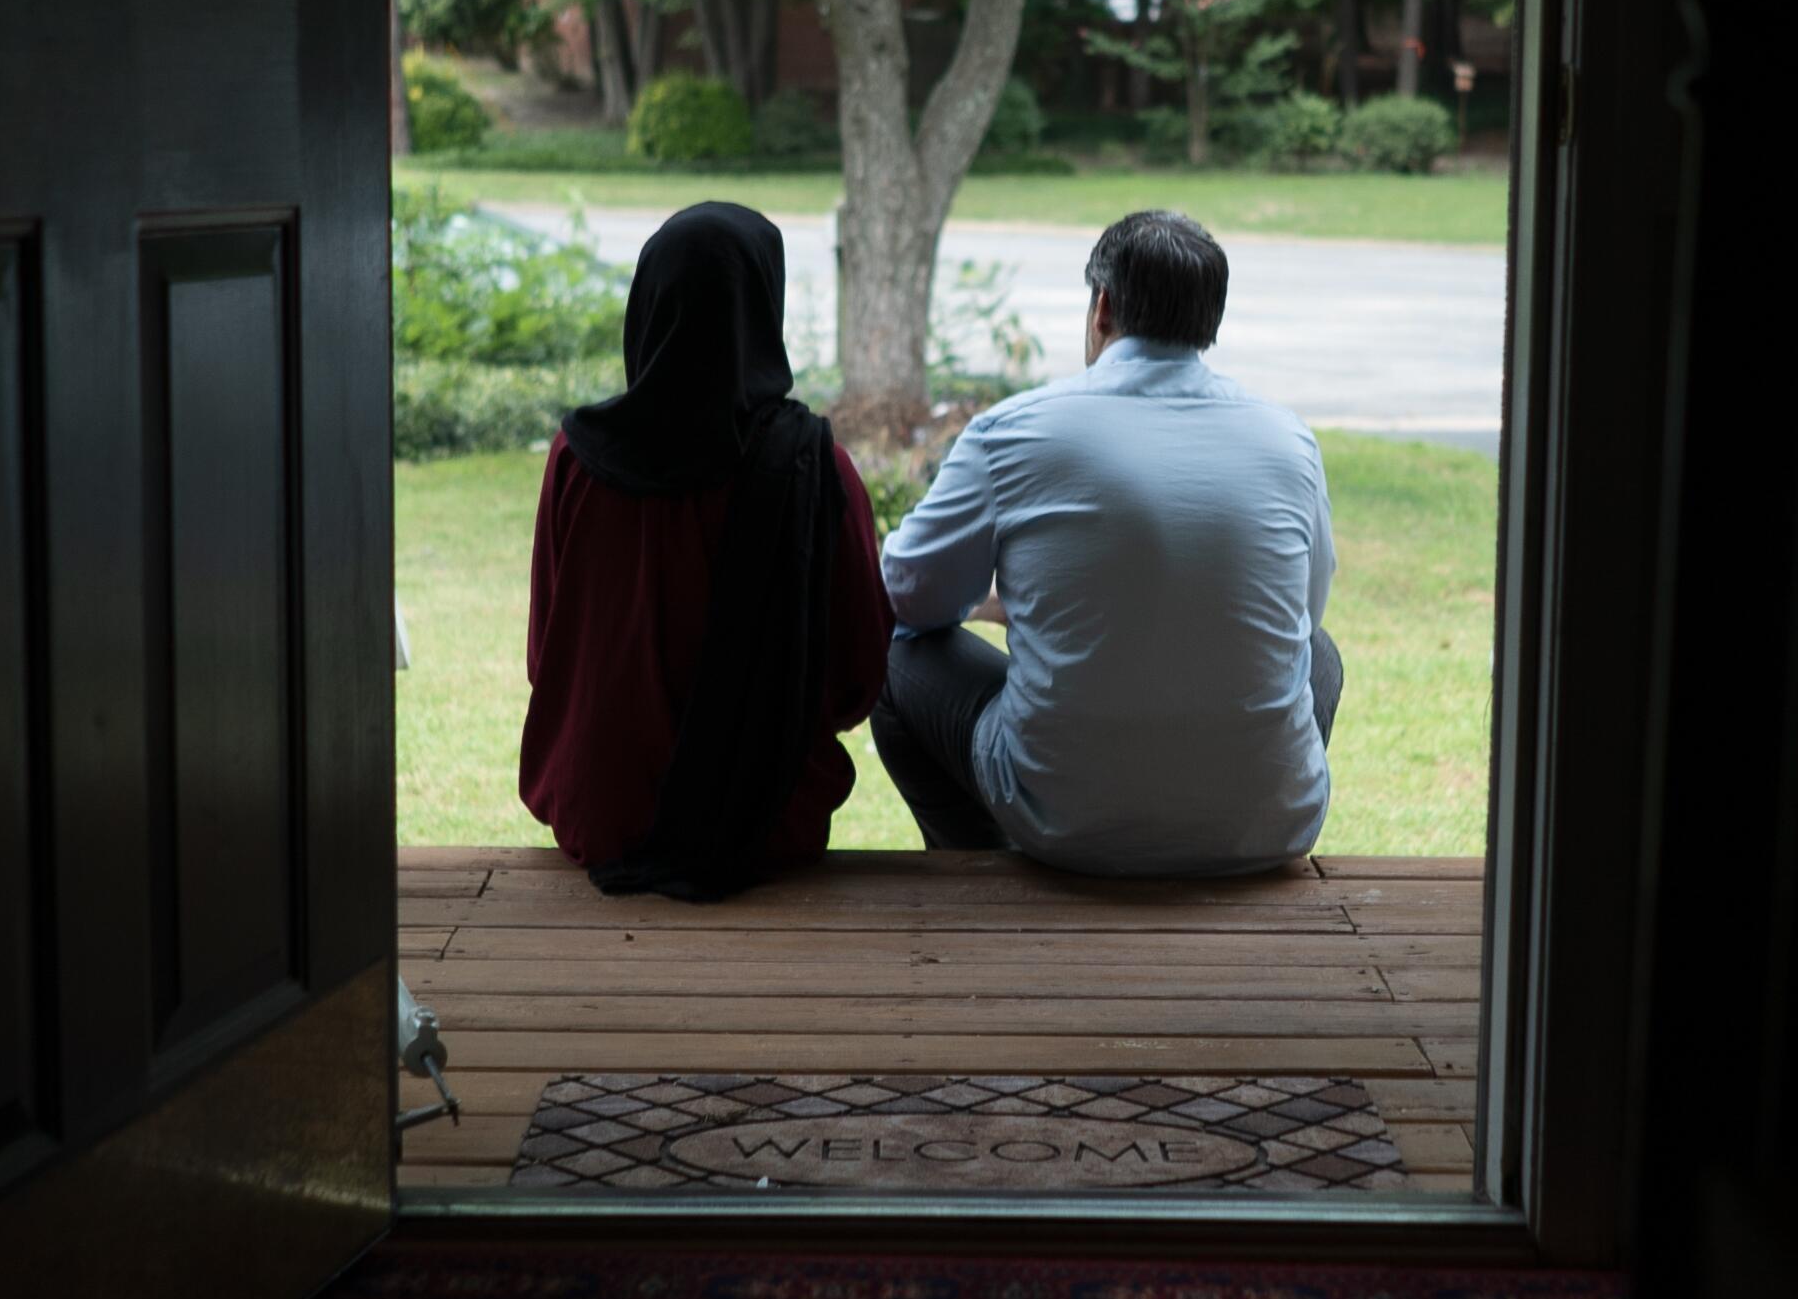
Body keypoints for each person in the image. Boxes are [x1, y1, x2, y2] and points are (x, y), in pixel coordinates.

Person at [870, 209, 1342, 876]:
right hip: (1270, 829)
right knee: (1318, 654)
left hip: (1065, 820)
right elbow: (1304, 613)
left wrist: (994, 603)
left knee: (899, 662)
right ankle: (1237, 803)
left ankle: (970, 867)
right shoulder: (1288, 439)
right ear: (1211, 321)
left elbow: (906, 596)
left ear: (1103, 307)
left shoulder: (1014, 431)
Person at [518, 202, 890, 897]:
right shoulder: (815, 469)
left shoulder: (576, 460)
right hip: (765, 826)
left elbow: (546, 656)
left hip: (600, 814)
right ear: (762, 308)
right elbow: (856, 681)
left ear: (649, 305)